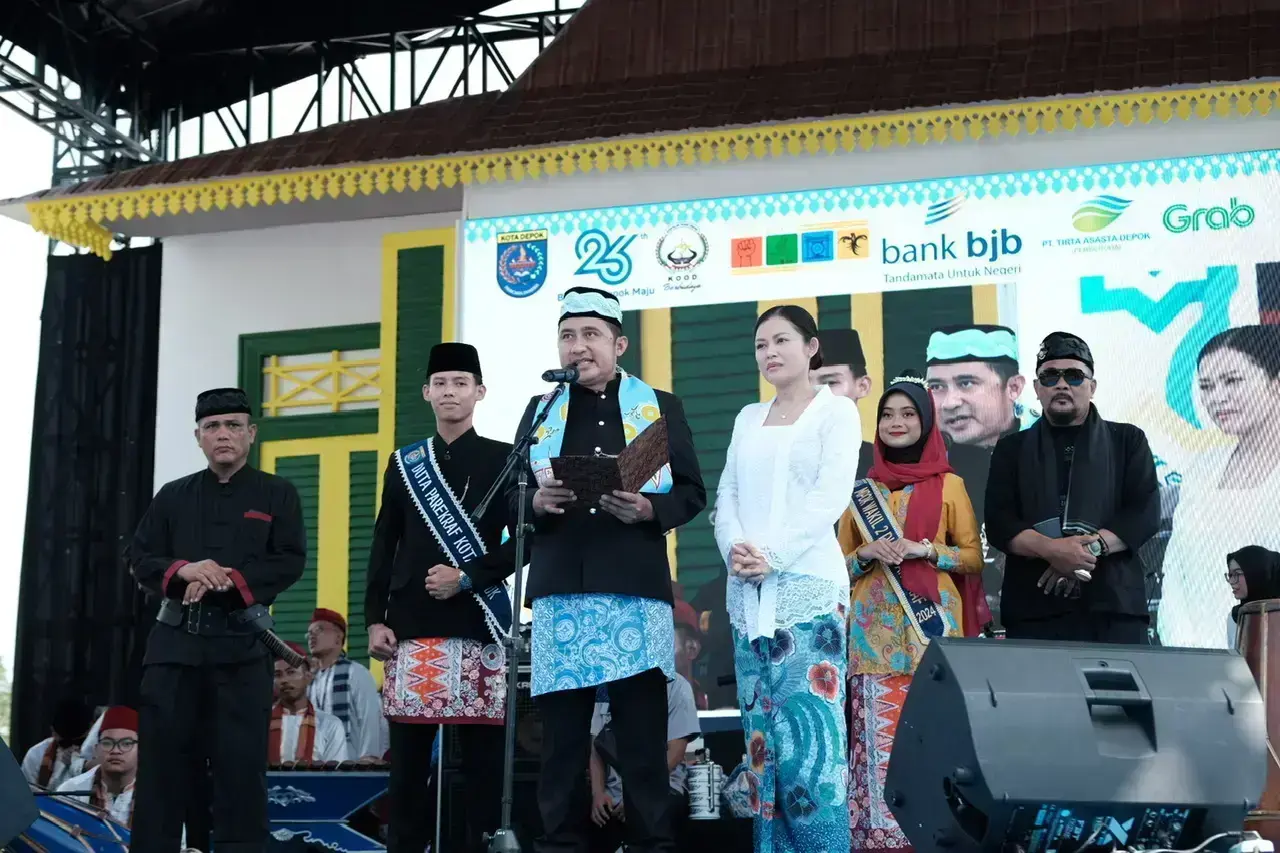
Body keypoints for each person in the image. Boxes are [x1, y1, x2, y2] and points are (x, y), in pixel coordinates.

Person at [510, 285, 706, 853]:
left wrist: (649, 509)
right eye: (567, 336)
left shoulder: (658, 406)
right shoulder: (542, 410)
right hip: (562, 591)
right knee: (561, 742)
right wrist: (534, 502)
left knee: (641, 740)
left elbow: (691, 492)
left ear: (619, 345)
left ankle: (651, 844)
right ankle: (561, 845)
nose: (578, 346)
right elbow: (510, 497)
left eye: (591, 334)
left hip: (633, 590)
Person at [129, 386, 306, 853]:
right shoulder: (173, 495)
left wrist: (227, 580)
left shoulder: (278, 493)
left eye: (232, 425)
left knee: (240, 777)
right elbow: (141, 558)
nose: (222, 434)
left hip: (242, 653)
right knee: (161, 775)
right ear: (198, 437)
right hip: (173, 652)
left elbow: (289, 561)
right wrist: (185, 570)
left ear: (251, 434)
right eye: (212, 427)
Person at [714, 304, 860, 853]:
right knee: (763, 747)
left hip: (807, 592)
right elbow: (727, 493)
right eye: (761, 345)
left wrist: (773, 554)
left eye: (781, 341)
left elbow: (830, 495)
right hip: (748, 595)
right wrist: (736, 551)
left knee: (813, 748)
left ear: (811, 347)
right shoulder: (747, 417)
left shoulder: (836, 411)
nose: (769, 353)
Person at [365, 341, 521, 853]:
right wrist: (374, 619)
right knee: (408, 772)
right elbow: (384, 543)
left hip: (478, 625)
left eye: (460, 383)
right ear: (426, 392)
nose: (450, 392)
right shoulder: (404, 462)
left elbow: (525, 541)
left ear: (480, 392)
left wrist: (468, 577)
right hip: (412, 628)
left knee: (483, 769)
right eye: (441, 383)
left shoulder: (505, 458)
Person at [836, 372, 983, 852]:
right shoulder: (859, 493)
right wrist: (866, 553)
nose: (895, 422)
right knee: (876, 745)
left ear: (926, 422)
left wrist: (926, 550)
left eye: (907, 414)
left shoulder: (950, 485)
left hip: (932, 637)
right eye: (887, 414)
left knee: (933, 745)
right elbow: (836, 568)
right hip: (872, 641)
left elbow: (973, 558)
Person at [986, 333, 1160, 643]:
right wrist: (1053, 550)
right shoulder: (1011, 449)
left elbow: (1143, 513)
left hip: (1113, 609)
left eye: (1074, 376)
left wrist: (1082, 552)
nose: (1062, 384)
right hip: (1034, 611)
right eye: (1050, 376)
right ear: (1037, 388)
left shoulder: (1127, 441)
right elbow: (1000, 522)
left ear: (1092, 387)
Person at [1158, 325, 1280, 648]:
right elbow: (1175, 576)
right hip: (1198, 662)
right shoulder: (1202, 469)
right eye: (1207, 386)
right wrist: (1185, 651)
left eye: (1233, 381)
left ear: (1276, 384)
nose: (1218, 397)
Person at [925, 323, 1024, 628]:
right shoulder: (923, 468)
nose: (950, 403)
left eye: (966, 383)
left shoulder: (1049, 453)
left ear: (1013, 388)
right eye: (937, 387)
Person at [588, 670, 701, 853]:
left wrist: (636, 796)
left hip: (660, 786)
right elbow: (596, 747)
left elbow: (676, 750)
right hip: (615, 791)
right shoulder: (606, 687)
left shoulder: (677, 686)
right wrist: (598, 793)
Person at [306, 608, 382, 758]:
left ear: (338, 637)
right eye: (309, 633)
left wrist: (369, 756)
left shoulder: (355, 672)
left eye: (319, 630)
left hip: (350, 760)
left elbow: (370, 718)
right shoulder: (309, 679)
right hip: (315, 761)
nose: (311, 636)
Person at [56, 706, 140, 829]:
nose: (116, 750)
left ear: (140, 750)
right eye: (107, 743)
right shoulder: (71, 790)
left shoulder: (157, 795)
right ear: (96, 750)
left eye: (126, 744)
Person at [270, 642, 349, 764]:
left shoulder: (330, 725)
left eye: (291, 672)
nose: (284, 680)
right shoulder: (260, 723)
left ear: (308, 677)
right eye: (278, 675)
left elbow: (335, 774)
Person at [814, 328, 875, 478]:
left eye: (830, 382)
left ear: (862, 386)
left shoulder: (885, 465)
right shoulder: (777, 465)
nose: (815, 394)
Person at [21, 697, 93, 789]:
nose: (72, 748)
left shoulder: (97, 754)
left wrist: (81, 765)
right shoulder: (36, 754)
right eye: (65, 743)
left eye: (79, 742)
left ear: (91, 730)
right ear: (53, 732)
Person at [1227, 546, 1280, 646]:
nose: (1231, 581)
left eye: (1237, 574)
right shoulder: (1235, 617)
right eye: (1230, 575)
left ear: (1258, 574)